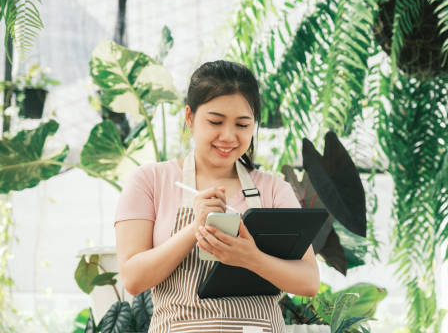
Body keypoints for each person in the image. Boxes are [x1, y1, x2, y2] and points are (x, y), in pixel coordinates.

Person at [114, 60, 319, 332]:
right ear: (189, 117)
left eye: (243, 125)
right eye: (215, 121)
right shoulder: (150, 181)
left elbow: (309, 281)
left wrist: (250, 258)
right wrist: (194, 229)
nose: (228, 136)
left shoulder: (273, 190)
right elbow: (133, 278)